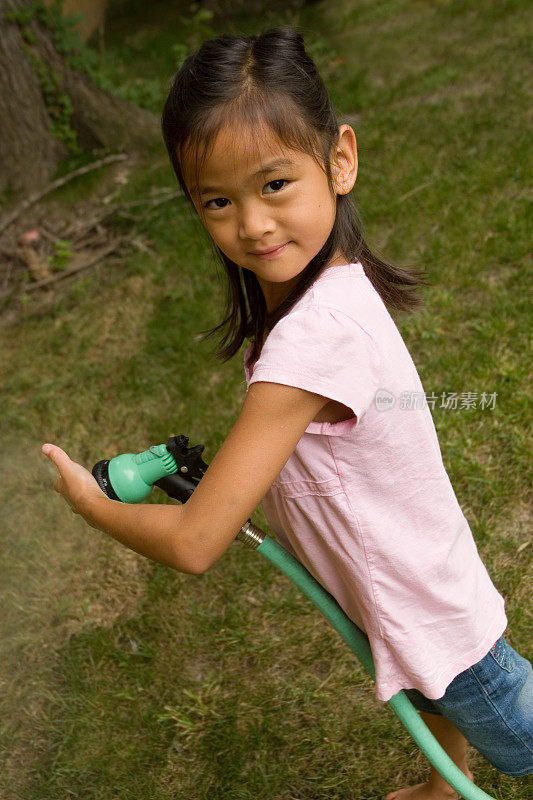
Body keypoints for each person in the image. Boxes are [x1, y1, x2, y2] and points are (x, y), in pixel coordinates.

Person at [42, 26, 532, 799]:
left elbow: (198, 540)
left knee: (506, 723)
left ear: (339, 160)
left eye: (274, 185)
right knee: (424, 684)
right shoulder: (324, 291)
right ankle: (446, 788)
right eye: (217, 201)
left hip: (434, 619)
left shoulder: (312, 343)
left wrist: (86, 503)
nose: (253, 225)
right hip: (408, 595)